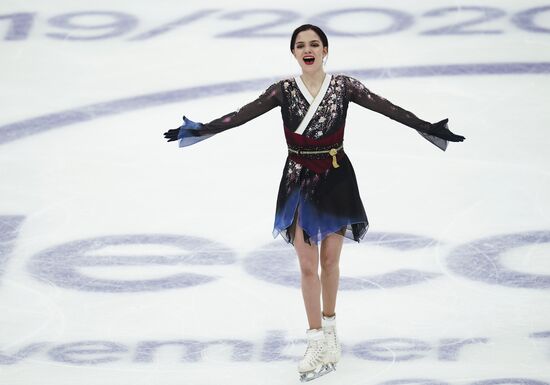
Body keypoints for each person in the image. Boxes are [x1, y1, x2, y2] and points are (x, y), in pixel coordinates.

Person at [164, 24, 465, 382]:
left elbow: (388, 109)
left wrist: (429, 126)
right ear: (293, 52)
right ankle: (315, 339)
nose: (308, 50)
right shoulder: (283, 90)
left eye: (315, 44)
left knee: (330, 261)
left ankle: (331, 329)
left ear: (325, 50)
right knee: (307, 266)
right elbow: (241, 115)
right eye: (301, 45)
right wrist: (200, 129)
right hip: (298, 179)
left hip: (336, 178)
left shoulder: (343, 87)